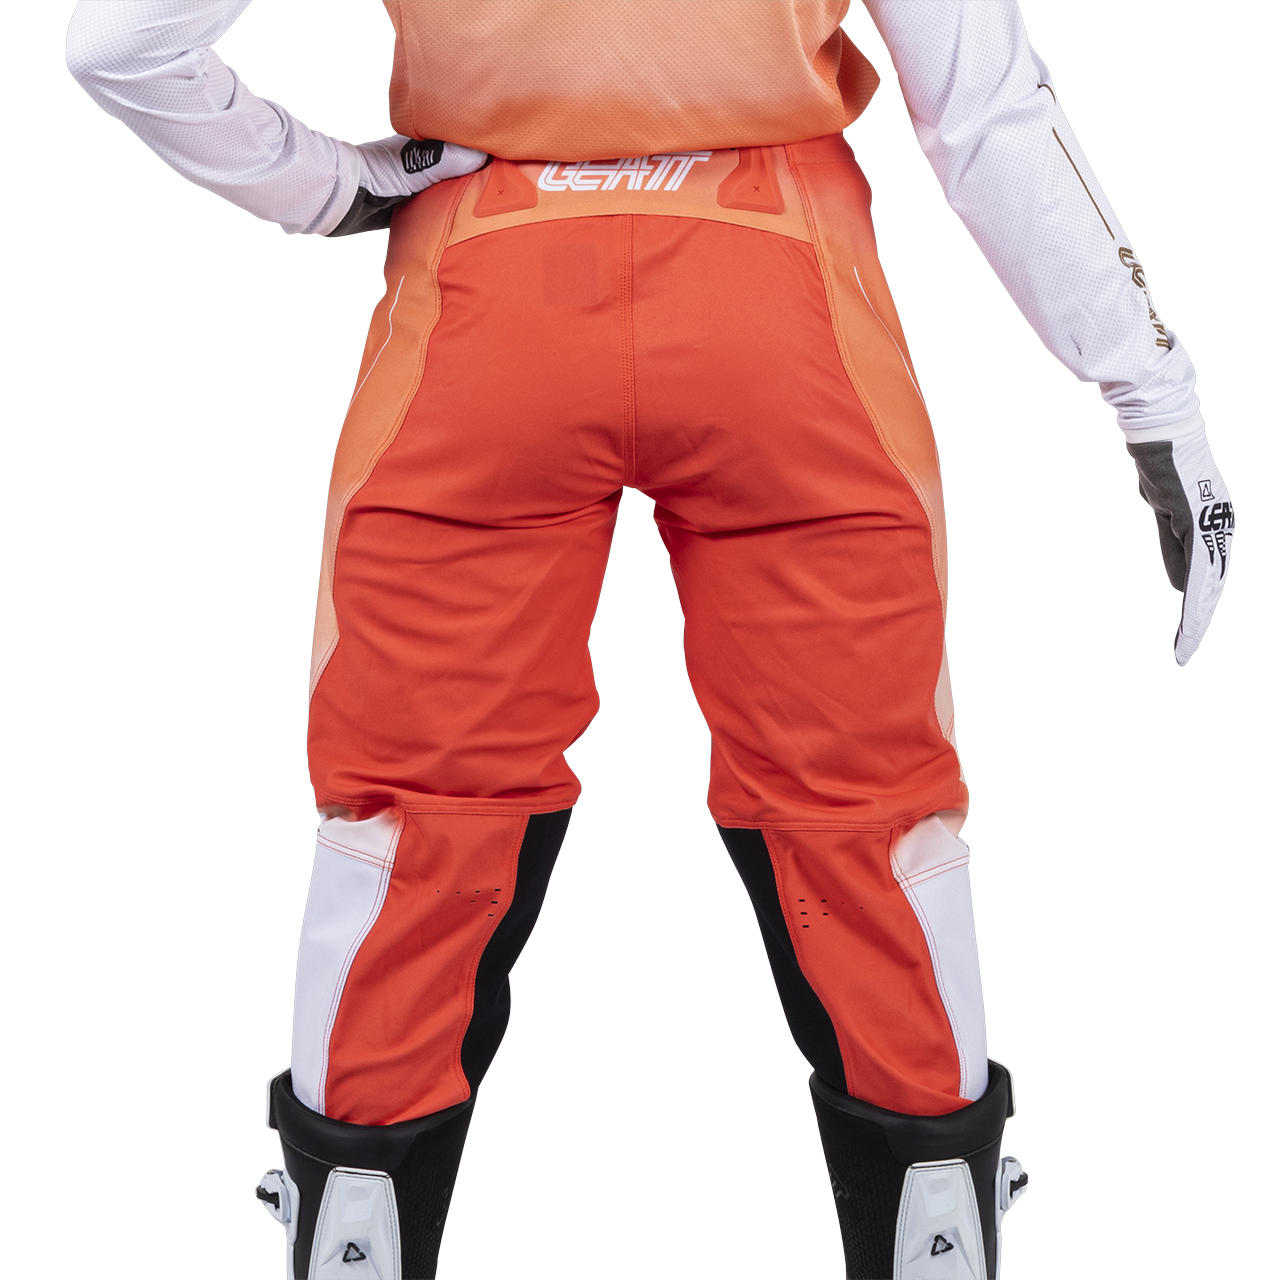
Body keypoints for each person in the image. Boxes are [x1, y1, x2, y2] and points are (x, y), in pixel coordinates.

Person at [66, 3, 1233, 1277]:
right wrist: (1148, 389)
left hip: (485, 282)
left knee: (412, 813)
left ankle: (350, 1228)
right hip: (781, 284)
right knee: (861, 808)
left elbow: (120, 45)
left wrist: (321, 184)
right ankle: (936, 1230)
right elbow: (980, 106)